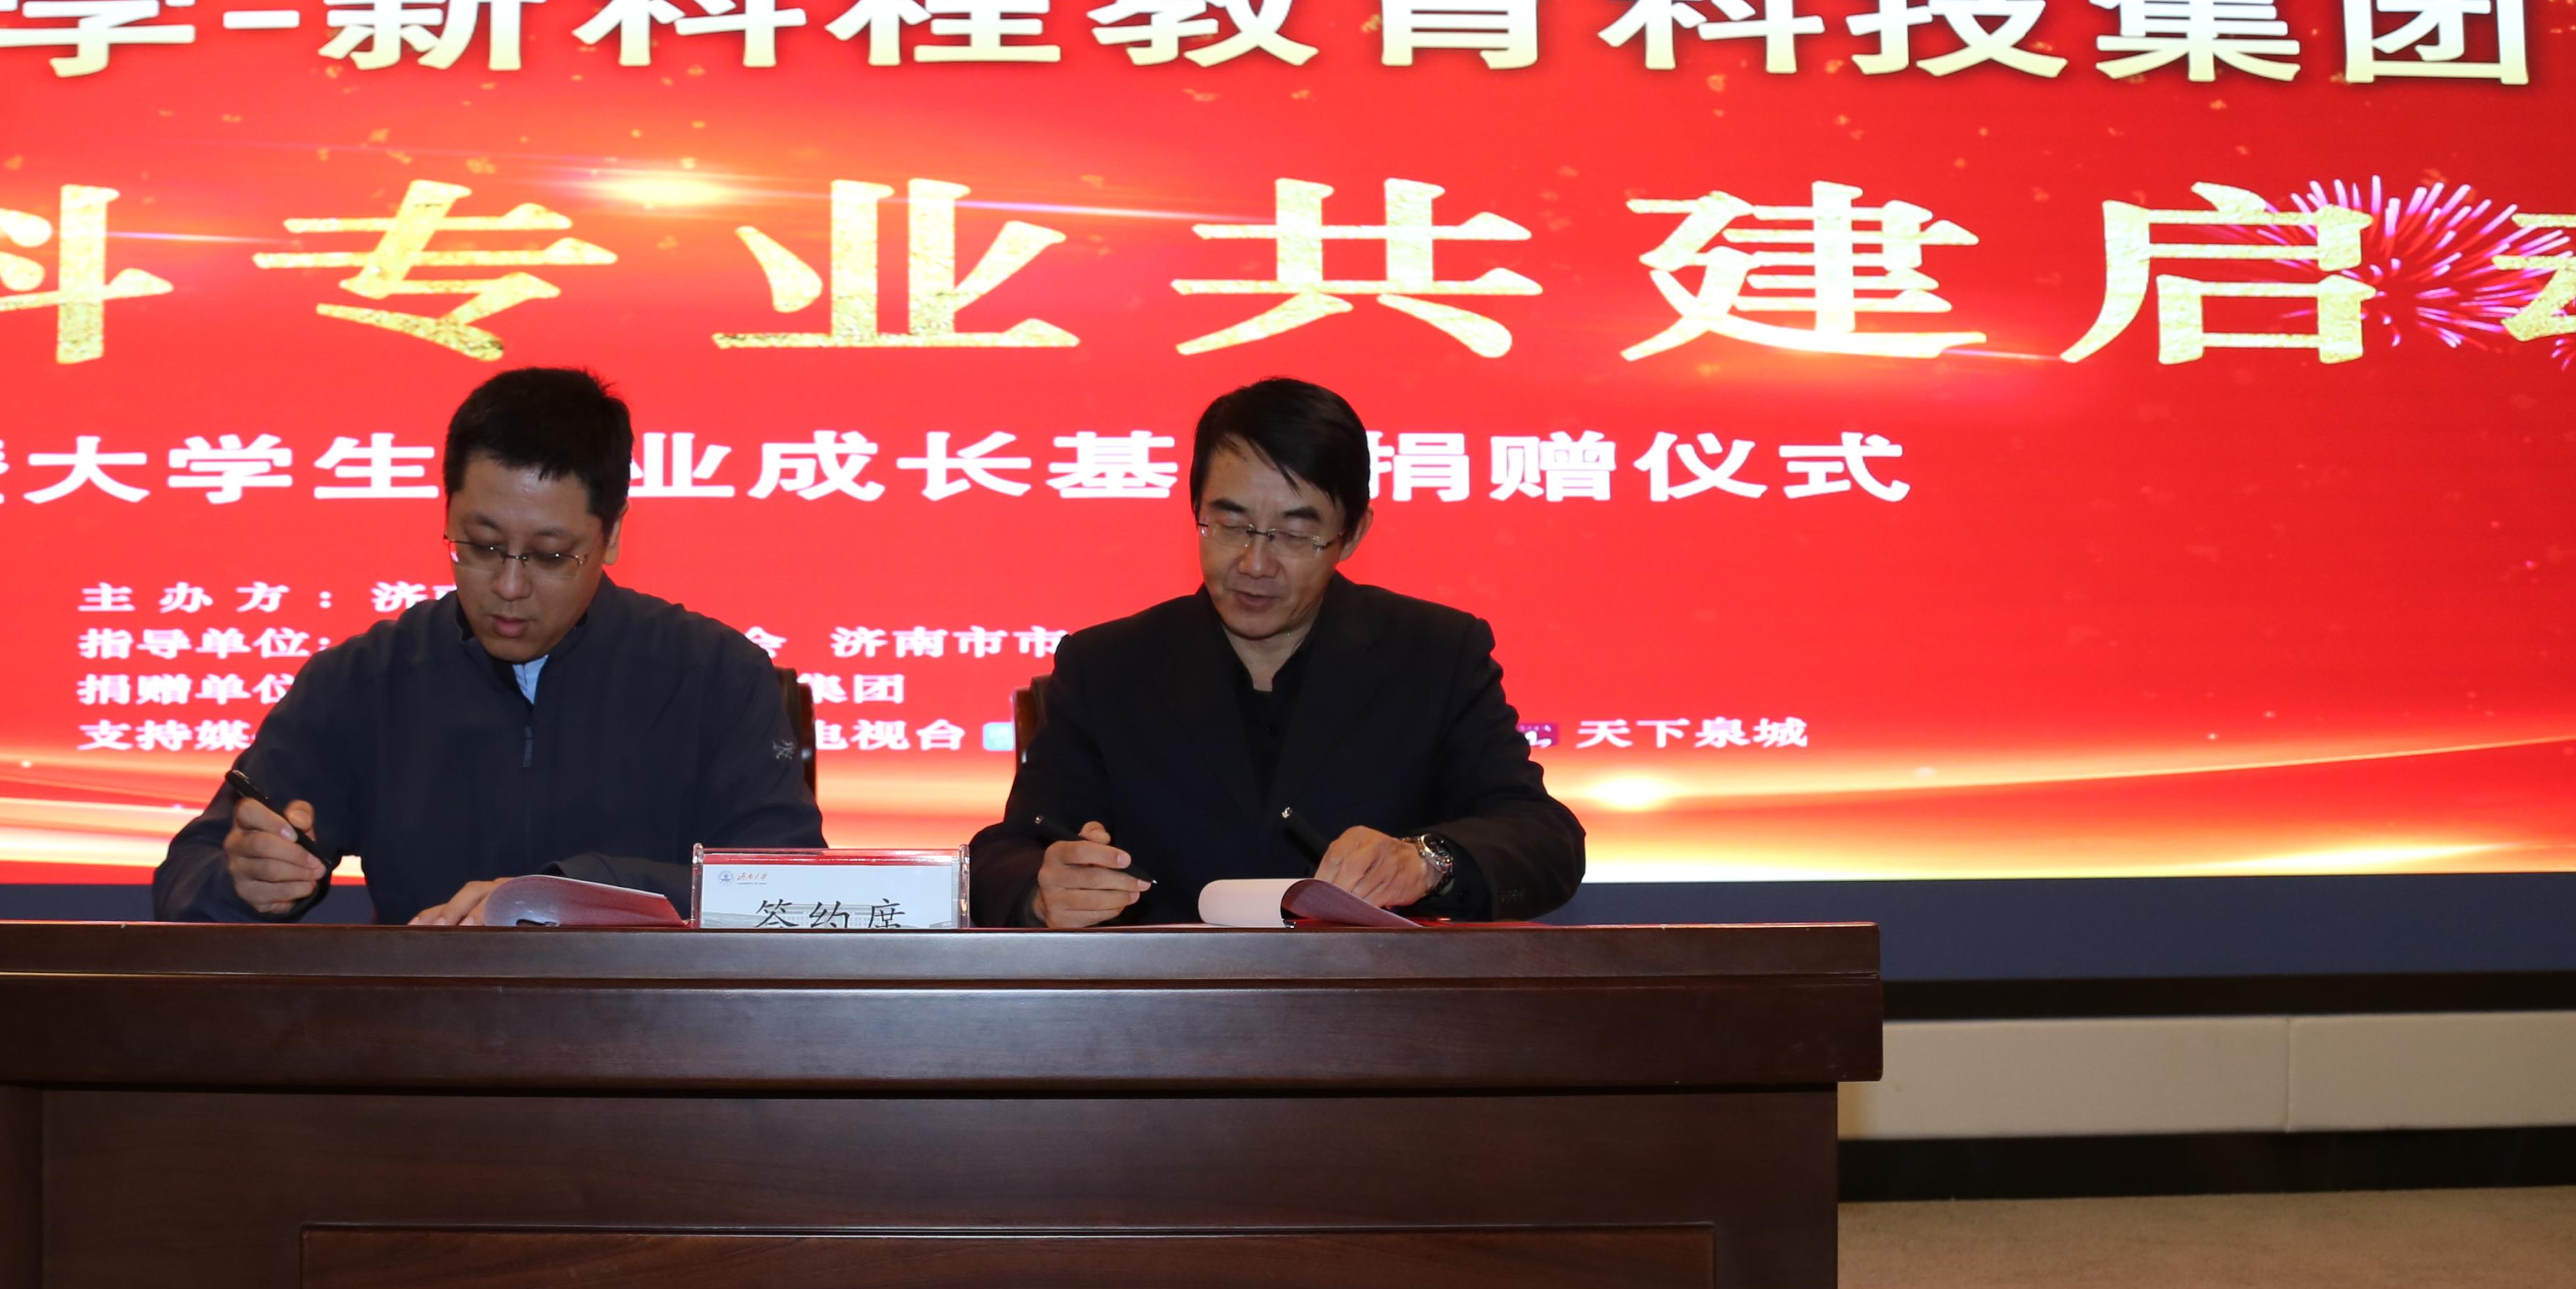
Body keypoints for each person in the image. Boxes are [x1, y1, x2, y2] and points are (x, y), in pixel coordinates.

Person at [154, 366, 819, 925]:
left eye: (551, 555)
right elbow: (186, 876)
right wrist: (244, 879)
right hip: (424, 1033)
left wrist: (569, 894)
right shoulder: (365, 680)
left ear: (613, 533)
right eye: (481, 545)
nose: (508, 586)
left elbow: (793, 893)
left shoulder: (714, 677)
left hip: (657, 1034)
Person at [968, 376, 1584, 929]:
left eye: (1293, 534)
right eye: (1230, 525)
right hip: (1164, 1007)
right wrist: (1043, 892)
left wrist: (1427, 860)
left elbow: (1544, 838)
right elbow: (1005, 854)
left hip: (1374, 1005)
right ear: (1195, 510)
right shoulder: (1108, 667)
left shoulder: (1435, 654)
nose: (1255, 564)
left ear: (1352, 534)